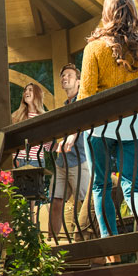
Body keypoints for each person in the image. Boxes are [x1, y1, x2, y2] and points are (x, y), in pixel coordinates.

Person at [76, 0, 138, 238]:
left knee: (100, 185)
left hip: (99, 126)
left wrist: (73, 129)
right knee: (135, 187)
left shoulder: (95, 48)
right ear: (132, 13)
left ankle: (111, 247)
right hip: (132, 124)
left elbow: (86, 92)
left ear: (107, 14)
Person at [48, 63, 92, 242]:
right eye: (63, 76)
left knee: (85, 203)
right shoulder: (64, 105)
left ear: (79, 82)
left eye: (69, 76)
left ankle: (87, 240)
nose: (65, 78)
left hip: (79, 162)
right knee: (56, 200)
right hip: (61, 163)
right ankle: (52, 241)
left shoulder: (83, 101)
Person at [10, 84, 49, 167]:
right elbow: (11, 139)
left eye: (30, 90)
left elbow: (47, 146)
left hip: (37, 162)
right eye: (25, 90)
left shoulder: (44, 117)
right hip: (18, 161)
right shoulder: (16, 116)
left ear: (37, 94)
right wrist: (13, 158)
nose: (26, 92)